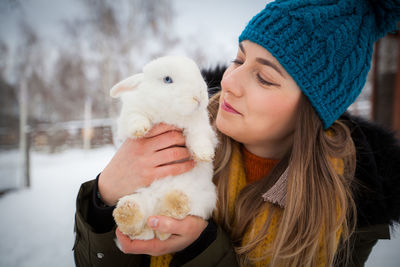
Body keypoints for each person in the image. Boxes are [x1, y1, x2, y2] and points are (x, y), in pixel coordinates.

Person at [73, 0, 400, 266]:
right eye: (239, 59)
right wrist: (104, 197)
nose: (229, 82)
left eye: (264, 78)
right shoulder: (176, 135)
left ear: (311, 113)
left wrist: (199, 248)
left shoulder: (351, 207)